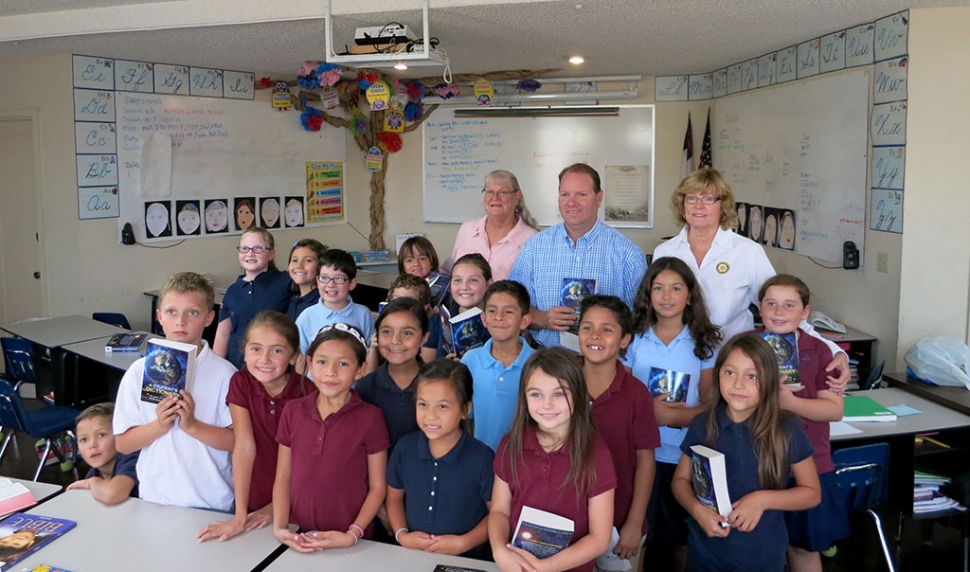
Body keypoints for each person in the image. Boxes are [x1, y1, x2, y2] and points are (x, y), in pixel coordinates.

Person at [653, 169, 849, 386]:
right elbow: (654, 312)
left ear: (723, 205)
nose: (698, 206)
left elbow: (781, 310)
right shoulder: (665, 252)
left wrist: (837, 352)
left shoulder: (747, 252)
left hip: (734, 364)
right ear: (682, 204)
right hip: (678, 361)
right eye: (691, 198)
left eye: (708, 198)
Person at [672, 334, 821, 572]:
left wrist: (762, 500)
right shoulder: (703, 423)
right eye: (730, 372)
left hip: (761, 556)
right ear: (717, 375)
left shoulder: (786, 428)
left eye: (752, 376)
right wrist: (697, 510)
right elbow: (680, 480)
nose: (738, 384)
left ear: (770, 381)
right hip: (705, 554)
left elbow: (812, 493)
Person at [624, 257, 722, 572]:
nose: (666, 296)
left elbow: (711, 409)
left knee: (681, 539)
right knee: (637, 538)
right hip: (639, 455)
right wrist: (646, 414)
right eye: (659, 288)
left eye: (676, 288)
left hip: (682, 458)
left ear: (690, 295)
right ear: (647, 294)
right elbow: (620, 397)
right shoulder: (634, 338)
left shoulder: (705, 344)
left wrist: (666, 417)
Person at [114, 272, 236, 511]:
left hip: (212, 502)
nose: (181, 321)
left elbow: (236, 442)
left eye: (193, 312)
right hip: (155, 498)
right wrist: (159, 425)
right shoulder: (138, 372)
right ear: (159, 316)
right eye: (171, 312)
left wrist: (192, 425)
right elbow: (123, 444)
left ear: (209, 317)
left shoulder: (226, 375)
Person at [489, 347, 617, 572]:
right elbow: (500, 511)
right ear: (524, 397)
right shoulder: (511, 445)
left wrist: (545, 567)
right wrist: (500, 551)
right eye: (536, 394)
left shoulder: (596, 454)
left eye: (559, 394)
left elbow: (600, 537)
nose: (546, 405)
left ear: (577, 395)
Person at [754, 275, 848, 572]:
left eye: (789, 305)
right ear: (760, 308)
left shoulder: (821, 351)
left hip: (809, 462)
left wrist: (791, 404)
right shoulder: (746, 346)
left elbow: (834, 410)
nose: (779, 312)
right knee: (755, 544)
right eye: (771, 304)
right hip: (757, 462)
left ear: (805, 312)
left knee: (803, 547)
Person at [198, 311, 315, 543]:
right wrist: (239, 515)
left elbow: (309, 463)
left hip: (296, 503)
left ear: (294, 356)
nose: (265, 359)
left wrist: (275, 507)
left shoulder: (308, 393)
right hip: (251, 498)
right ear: (244, 351)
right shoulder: (241, 383)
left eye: (277, 350)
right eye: (256, 349)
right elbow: (244, 446)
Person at [273, 323, 388, 551]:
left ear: (360, 369)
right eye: (322, 361)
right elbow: (283, 477)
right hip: (298, 536)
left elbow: (377, 487)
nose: (331, 372)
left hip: (352, 541)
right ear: (309, 363)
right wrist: (280, 527)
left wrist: (352, 534)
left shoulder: (371, 417)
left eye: (343, 363)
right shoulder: (293, 411)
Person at [509, 163, 648, 349]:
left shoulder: (627, 254)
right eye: (565, 194)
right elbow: (511, 304)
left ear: (599, 198)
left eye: (581, 195)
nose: (571, 202)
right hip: (547, 359)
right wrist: (543, 319)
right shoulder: (534, 247)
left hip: (605, 363)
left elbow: (641, 318)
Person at [578, 295, 660, 571]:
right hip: (571, 516)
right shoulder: (562, 382)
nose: (595, 336)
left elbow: (646, 460)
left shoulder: (636, 393)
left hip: (620, 519)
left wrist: (635, 522)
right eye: (587, 327)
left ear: (625, 340)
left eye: (607, 329)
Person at [386, 360, 494, 559]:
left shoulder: (482, 458)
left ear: (465, 409)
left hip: (468, 561)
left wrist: (465, 542)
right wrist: (402, 535)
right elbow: (393, 498)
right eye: (423, 404)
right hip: (413, 556)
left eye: (442, 406)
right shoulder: (404, 448)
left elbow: (497, 514)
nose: (430, 416)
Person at [460, 280, 535, 451]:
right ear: (483, 318)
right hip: (480, 460)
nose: (499, 317)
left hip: (523, 461)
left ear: (525, 321)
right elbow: (465, 415)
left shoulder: (536, 364)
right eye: (492, 310)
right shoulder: (471, 360)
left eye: (508, 311)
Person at [356, 297, 429, 450]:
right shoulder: (366, 388)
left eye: (407, 333)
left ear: (424, 338)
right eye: (387, 332)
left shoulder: (435, 385)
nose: (395, 341)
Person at [215, 227, 292, 369]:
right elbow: (222, 335)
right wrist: (216, 366)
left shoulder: (286, 282)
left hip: (273, 366)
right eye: (244, 248)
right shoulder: (233, 290)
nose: (250, 253)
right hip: (238, 367)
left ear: (271, 254)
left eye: (258, 248)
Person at [445, 169, 539, 281]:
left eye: (503, 192)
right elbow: (448, 272)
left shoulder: (533, 239)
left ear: (517, 197)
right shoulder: (467, 229)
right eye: (489, 192)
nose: (495, 197)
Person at [295, 248, 375, 353]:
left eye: (339, 279)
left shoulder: (363, 314)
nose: (331, 285)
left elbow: (370, 354)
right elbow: (299, 358)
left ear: (352, 283)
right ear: (317, 282)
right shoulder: (307, 316)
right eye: (324, 278)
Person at [66, 402, 139, 504]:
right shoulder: (93, 473)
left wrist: (91, 482)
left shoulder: (131, 459)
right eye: (84, 440)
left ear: (120, 434)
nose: (92, 444)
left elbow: (112, 494)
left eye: (101, 435)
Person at [365, 274, 438, 372]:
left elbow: (425, 372)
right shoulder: (385, 324)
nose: (401, 306)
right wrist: (374, 348)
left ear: (425, 307)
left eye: (409, 301)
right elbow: (368, 378)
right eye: (397, 300)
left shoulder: (430, 328)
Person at [438, 253, 493, 359]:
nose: (464, 287)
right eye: (457, 280)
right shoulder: (439, 319)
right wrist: (446, 367)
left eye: (473, 280)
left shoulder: (498, 321)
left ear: (488, 284)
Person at [286, 238, 327, 322]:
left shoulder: (323, 302)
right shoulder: (292, 299)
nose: (299, 265)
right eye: (294, 260)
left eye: (308, 260)